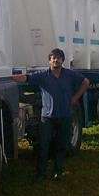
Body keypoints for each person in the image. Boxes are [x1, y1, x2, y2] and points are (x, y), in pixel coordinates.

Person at [13, 48, 89, 180]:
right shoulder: (43, 75)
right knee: (44, 146)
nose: (56, 60)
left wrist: (76, 98)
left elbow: (86, 82)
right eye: (53, 58)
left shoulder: (69, 75)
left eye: (58, 58)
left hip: (65, 116)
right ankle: (41, 173)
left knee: (61, 145)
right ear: (49, 61)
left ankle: (58, 172)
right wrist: (6, 77)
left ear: (62, 60)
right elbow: (26, 78)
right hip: (47, 118)